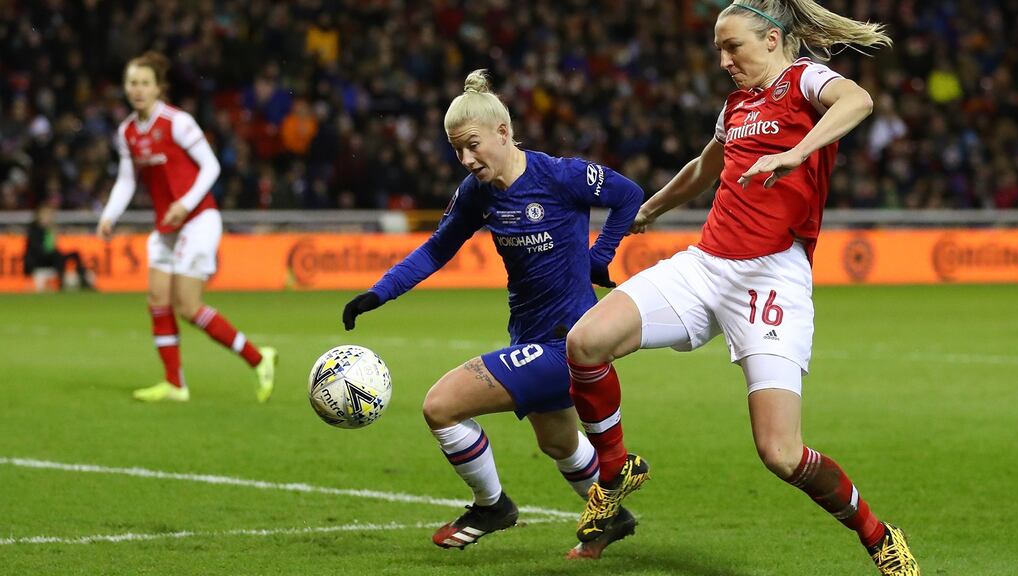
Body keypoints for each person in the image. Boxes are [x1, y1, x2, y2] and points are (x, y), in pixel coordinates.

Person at [563, 2, 920, 574]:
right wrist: (651, 208)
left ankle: (879, 536)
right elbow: (708, 165)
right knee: (584, 343)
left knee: (780, 453)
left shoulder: (804, 79)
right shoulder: (736, 106)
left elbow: (859, 100)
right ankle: (615, 471)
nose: (724, 61)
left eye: (734, 48)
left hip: (772, 275)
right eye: (718, 50)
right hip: (706, 265)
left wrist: (798, 153)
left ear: (774, 40)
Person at [342, 69, 643, 558]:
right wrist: (378, 294)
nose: (466, 159)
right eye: (457, 150)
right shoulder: (476, 193)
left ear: (503, 133)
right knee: (559, 444)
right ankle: (611, 514)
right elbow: (438, 249)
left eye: (473, 145)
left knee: (440, 406)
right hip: (528, 336)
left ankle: (492, 505)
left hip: (564, 344)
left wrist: (601, 255)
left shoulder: (559, 176)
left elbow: (628, 194)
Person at [97, 51, 277, 403]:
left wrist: (184, 203)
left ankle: (259, 358)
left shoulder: (177, 122)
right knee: (157, 300)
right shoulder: (127, 132)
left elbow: (210, 167)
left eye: (145, 83)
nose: (137, 89)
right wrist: (109, 214)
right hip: (166, 226)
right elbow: (126, 180)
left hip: (198, 220)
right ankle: (175, 385)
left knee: (188, 306)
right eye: (132, 82)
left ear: (158, 87)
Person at [24, 203, 94, 290]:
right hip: (38, 261)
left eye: (50, 215)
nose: (49, 217)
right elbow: (41, 250)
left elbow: (51, 247)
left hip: (51, 258)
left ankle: (83, 280)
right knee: (57, 255)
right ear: (39, 216)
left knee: (74, 254)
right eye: (46, 215)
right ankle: (61, 283)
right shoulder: (34, 230)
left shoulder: (49, 229)